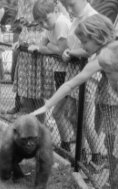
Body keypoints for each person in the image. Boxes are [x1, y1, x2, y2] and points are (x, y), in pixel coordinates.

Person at [31, 14, 118, 189]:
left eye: (85, 41)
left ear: (98, 36)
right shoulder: (103, 58)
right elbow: (72, 83)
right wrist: (47, 104)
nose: (82, 45)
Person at [60, 0, 106, 167]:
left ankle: (97, 156)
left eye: (71, 5)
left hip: (87, 73)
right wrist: (68, 52)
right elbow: (73, 43)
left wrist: (70, 52)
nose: (69, 9)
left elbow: (91, 49)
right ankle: (82, 152)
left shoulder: (92, 17)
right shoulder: (77, 18)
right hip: (74, 69)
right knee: (71, 115)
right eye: (66, 6)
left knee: (85, 119)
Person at [30, 0, 71, 152]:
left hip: (68, 73)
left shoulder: (60, 23)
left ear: (55, 11)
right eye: (40, 23)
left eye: (46, 20)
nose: (45, 25)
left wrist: (50, 48)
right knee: (63, 113)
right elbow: (42, 46)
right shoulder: (52, 25)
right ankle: (66, 145)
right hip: (60, 71)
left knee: (59, 113)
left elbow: (61, 50)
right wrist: (51, 48)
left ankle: (69, 147)